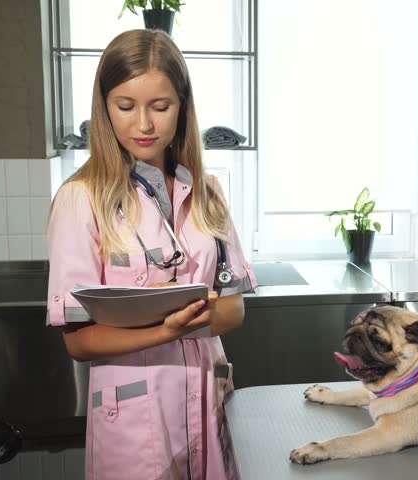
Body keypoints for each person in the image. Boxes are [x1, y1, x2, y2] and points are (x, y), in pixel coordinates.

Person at [45, 29, 257, 480]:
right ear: (104, 108)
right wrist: (166, 328)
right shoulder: (81, 199)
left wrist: (188, 312)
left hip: (208, 406)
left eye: (161, 107)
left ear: (182, 108)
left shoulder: (207, 192)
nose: (144, 124)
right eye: (125, 107)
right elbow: (79, 341)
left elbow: (234, 309)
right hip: (135, 426)